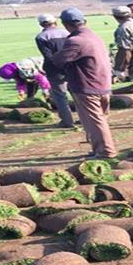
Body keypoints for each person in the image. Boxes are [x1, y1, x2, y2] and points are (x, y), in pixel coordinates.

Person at [51, 8, 117, 159]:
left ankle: (106, 151)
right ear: (84, 22)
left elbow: (59, 60)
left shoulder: (76, 41)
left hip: (87, 86)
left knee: (94, 121)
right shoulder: (94, 36)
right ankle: (98, 149)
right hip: (103, 84)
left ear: (65, 24)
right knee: (100, 119)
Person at [34, 13, 75, 128]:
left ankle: (67, 121)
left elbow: (48, 56)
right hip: (71, 67)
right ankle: (85, 118)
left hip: (54, 69)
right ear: (55, 22)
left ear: (41, 24)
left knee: (60, 96)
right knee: (77, 94)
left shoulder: (41, 37)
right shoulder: (67, 33)